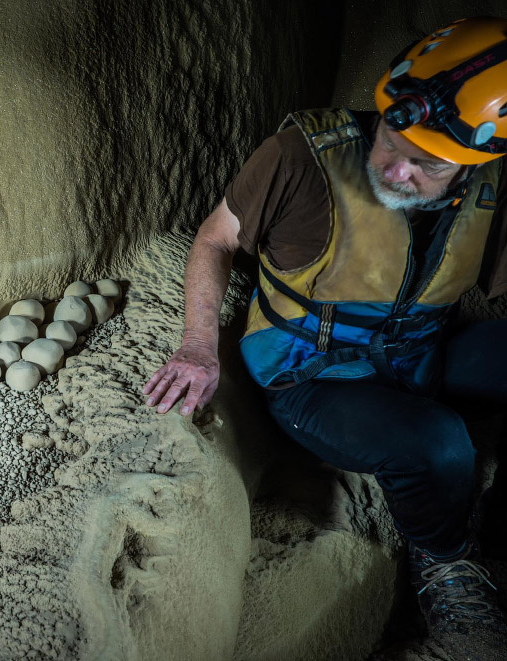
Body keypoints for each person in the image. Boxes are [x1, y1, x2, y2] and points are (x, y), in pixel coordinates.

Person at [143, 16, 507, 657]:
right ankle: (444, 557)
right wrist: (198, 343)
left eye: (428, 165)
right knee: (439, 442)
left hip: (420, 355)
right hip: (313, 376)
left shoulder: (492, 184)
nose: (396, 170)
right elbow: (216, 238)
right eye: (391, 138)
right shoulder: (300, 157)